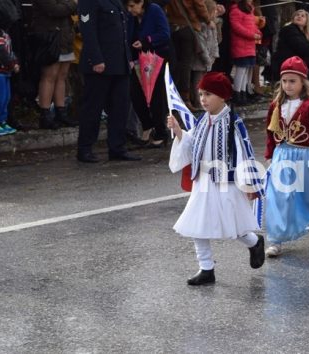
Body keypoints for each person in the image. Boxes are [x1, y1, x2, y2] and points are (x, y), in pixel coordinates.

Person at [166, 72, 266, 285]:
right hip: (202, 182)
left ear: (222, 96)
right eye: (201, 94)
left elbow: (244, 151)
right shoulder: (202, 119)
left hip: (226, 183)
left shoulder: (233, 122)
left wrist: (248, 182)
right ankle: (206, 268)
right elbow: (192, 143)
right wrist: (178, 131)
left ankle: (254, 242)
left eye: (208, 94)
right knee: (196, 224)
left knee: (234, 225)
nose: (203, 99)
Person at [264, 56, 309, 257]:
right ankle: (276, 239)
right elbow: (271, 132)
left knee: (308, 197)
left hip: (306, 156)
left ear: (302, 82)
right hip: (282, 155)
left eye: (292, 81)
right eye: (284, 81)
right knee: (279, 197)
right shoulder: (276, 105)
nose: (288, 85)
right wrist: (270, 153)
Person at [78, 0, 140, 163]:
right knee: (93, 108)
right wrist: (96, 58)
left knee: (120, 107)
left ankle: (117, 147)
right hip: (101, 64)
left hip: (119, 63)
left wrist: (128, 59)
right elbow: (88, 30)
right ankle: (85, 148)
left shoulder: (115, 2)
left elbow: (123, 32)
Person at [126, 0, 172, 149]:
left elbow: (164, 34)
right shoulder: (133, 17)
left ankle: (161, 132)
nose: (130, 9)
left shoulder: (154, 10)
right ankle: (148, 126)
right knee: (136, 94)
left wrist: (147, 41)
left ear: (141, 3)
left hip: (156, 58)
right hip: (138, 60)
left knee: (156, 96)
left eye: (133, 6)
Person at [32, 0, 78, 129]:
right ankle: (45, 114)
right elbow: (54, 9)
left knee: (62, 76)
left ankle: (61, 111)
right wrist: (74, 3)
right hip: (51, 38)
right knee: (49, 75)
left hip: (66, 37)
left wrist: (71, 6)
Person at [271, 9, 309, 83]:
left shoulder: (301, 34)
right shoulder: (290, 29)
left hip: (293, 64)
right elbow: (302, 48)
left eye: (302, 16)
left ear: (307, 22)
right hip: (287, 66)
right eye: (297, 15)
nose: (299, 16)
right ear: (293, 18)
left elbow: (304, 53)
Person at [229, 0, 262, 104]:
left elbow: (252, 25)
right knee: (241, 70)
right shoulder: (235, 10)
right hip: (241, 45)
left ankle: (243, 93)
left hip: (250, 45)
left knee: (247, 70)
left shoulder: (250, 10)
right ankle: (237, 94)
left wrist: (257, 31)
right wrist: (251, 35)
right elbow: (237, 27)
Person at [0, 25, 19, 136]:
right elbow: (1, 51)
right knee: (0, 98)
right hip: (0, 71)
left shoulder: (5, 33)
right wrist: (12, 64)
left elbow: (10, 50)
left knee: (6, 98)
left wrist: (15, 62)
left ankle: (2, 121)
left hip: (6, 72)